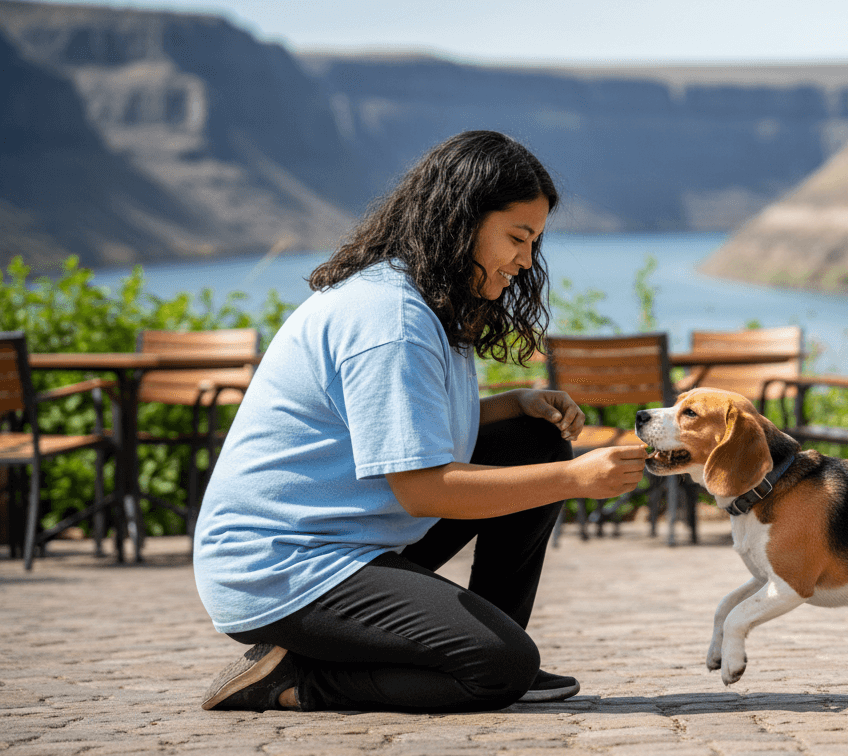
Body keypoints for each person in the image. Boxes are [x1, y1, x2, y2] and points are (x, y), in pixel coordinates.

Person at [192, 130, 649, 713]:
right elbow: (421, 487)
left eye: (534, 242)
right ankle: (295, 676)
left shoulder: (431, 299)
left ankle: (491, 634)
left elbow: (394, 428)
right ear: (462, 219)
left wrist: (511, 405)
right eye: (517, 237)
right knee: (498, 670)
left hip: (349, 540)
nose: (526, 260)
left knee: (533, 439)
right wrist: (577, 480)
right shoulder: (391, 319)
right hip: (280, 565)